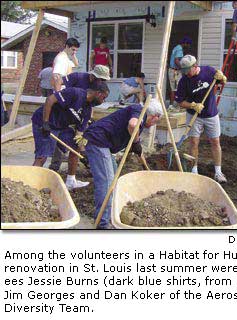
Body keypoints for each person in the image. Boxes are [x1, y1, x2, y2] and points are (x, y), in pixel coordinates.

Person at [74, 98, 163, 229]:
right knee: (107, 183)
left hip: (104, 144)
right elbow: (132, 125)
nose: (155, 124)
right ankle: (102, 224)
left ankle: (109, 215)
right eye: (157, 121)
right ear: (155, 116)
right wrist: (136, 142)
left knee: (114, 177)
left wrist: (136, 145)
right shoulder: (140, 111)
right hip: (99, 142)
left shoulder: (139, 113)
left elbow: (132, 128)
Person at [31, 82, 110, 190]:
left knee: (75, 146)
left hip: (61, 126)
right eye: (104, 98)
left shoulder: (87, 110)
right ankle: (31, 185)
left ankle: (71, 181)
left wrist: (83, 153)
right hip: (44, 121)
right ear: (98, 94)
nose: (103, 101)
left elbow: (79, 134)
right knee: (42, 155)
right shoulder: (75, 93)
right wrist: (45, 123)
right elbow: (50, 100)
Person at [175, 55, 228, 183]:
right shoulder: (184, 81)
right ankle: (194, 172)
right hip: (194, 116)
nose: (186, 74)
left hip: (211, 114)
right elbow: (180, 102)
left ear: (195, 66)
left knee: (215, 142)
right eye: (184, 71)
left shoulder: (208, 71)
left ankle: (218, 172)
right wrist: (193, 105)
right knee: (194, 142)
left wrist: (223, 78)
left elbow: (222, 81)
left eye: (188, 70)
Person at [48, 65, 111, 172]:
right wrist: (58, 95)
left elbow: (90, 104)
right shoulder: (78, 77)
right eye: (102, 79)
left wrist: (88, 119)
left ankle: (86, 162)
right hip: (66, 111)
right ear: (94, 76)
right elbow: (58, 80)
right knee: (60, 137)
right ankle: (55, 166)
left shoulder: (98, 87)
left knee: (82, 137)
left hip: (81, 114)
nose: (103, 82)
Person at [168, 36, 192, 107]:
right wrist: (183, 69)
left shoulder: (176, 47)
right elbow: (176, 61)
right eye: (188, 44)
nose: (188, 46)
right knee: (177, 88)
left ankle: (172, 105)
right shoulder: (179, 49)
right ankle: (174, 106)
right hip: (175, 72)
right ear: (185, 43)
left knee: (174, 88)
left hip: (172, 70)